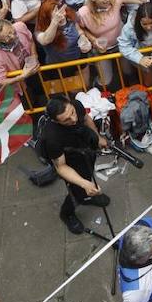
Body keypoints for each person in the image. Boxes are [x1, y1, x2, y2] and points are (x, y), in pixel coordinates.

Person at [33, 95, 111, 235]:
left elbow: (86, 118)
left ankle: (87, 196)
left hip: (86, 152)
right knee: (76, 190)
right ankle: (67, 213)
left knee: (88, 174)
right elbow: (61, 167)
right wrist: (83, 183)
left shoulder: (76, 105)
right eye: (66, 120)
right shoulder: (52, 137)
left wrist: (97, 137)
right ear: (56, 121)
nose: (73, 120)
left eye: (72, 113)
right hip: (70, 162)